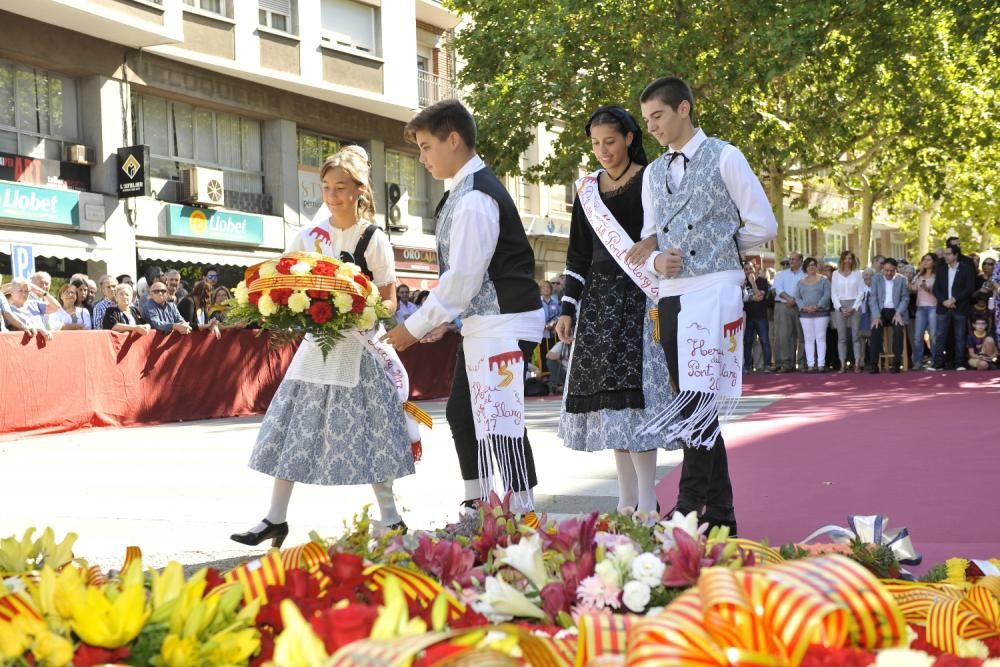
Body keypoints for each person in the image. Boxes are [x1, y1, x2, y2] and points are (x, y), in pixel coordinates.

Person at [232, 145, 416, 547]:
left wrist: (362, 313)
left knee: (369, 433)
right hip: (316, 348)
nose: (332, 196)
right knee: (294, 427)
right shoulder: (307, 236)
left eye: (340, 188)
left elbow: (390, 299)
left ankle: (392, 518)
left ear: (358, 191)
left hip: (357, 348)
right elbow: (285, 283)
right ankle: (274, 518)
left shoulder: (372, 238)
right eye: (326, 188)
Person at [382, 99, 544, 520]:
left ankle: (520, 510)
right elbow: (466, 281)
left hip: (502, 321)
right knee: (466, 411)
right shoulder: (464, 191)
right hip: (487, 320)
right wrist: (444, 321)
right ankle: (480, 501)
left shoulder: (474, 197)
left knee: (500, 418)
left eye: (425, 146)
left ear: (453, 140)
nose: (422, 157)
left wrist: (414, 327)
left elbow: (463, 279)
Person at [630, 76, 777, 534]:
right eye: (647, 118)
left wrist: (720, 245)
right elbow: (647, 236)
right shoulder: (653, 173)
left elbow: (763, 223)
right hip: (672, 295)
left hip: (715, 289)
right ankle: (722, 514)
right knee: (691, 402)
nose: (651, 127)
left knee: (696, 400)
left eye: (658, 116)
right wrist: (656, 259)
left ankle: (690, 504)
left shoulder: (726, 156)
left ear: (684, 109)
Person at [552, 104, 679, 514]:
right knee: (612, 405)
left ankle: (647, 502)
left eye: (610, 141)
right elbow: (578, 255)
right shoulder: (587, 190)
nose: (603, 150)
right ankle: (626, 503)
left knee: (638, 401)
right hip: (599, 306)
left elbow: (676, 226)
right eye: (595, 144)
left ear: (628, 137)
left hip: (641, 299)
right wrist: (567, 308)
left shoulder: (652, 178)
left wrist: (656, 240)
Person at [931, 245, 975, 370]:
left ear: (956, 255)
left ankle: (960, 363)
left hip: (960, 307)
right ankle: (937, 364)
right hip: (943, 307)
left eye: (949, 254)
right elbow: (936, 289)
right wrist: (944, 301)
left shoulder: (966, 269)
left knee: (960, 336)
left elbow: (969, 288)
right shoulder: (941, 269)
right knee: (939, 336)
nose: (946, 256)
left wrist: (954, 299)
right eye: (945, 254)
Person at [867, 257, 909, 373]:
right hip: (881, 312)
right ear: (882, 269)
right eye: (886, 270)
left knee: (898, 331)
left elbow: (905, 298)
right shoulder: (876, 278)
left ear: (896, 270)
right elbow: (873, 299)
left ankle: (896, 364)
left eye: (891, 271)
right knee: (875, 330)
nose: (889, 273)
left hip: (896, 311)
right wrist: (876, 316)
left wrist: (899, 313)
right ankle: (874, 365)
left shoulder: (902, 279)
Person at [793, 257, 832, 372]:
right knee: (808, 338)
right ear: (805, 268)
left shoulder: (824, 280)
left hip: (821, 313)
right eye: (809, 265)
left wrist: (818, 306)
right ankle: (810, 364)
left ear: (817, 267)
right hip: (805, 314)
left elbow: (826, 295)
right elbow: (797, 297)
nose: (812, 267)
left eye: (813, 265)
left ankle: (821, 364)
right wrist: (804, 307)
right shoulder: (800, 283)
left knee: (820, 337)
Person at [830, 250, 864, 373]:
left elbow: (861, 292)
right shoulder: (835, 274)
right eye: (846, 258)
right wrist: (840, 307)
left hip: (854, 304)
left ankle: (857, 364)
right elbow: (833, 293)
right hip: (840, 305)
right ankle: (843, 364)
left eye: (850, 258)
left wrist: (854, 307)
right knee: (842, 338)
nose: (848, 261)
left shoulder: (858, 274)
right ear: (842, 260)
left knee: (855, 337)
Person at [772, 252, 805, 372]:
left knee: (802, 335)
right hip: (783, 306)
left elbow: (805, 290)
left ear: (801, 260)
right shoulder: (781, 274)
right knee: (784, 336)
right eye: (790, 259)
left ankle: (802, 362)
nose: (791, 261)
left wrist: (795, 300)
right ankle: (786, 363)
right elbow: (778, 289)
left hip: (800, 306)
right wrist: (789, 299)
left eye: (794, 259)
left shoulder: (805, 274)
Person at [741, 262, 772, 373]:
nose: (749, 271)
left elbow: (759, 296)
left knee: (764, 341)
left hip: (761, 317)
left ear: (755, 269)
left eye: (750, 269)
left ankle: (767, 365)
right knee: (748, 342)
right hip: (748, 317)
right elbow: (746, 297)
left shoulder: (763, 281)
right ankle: (748, 366)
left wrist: (753, 283)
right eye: (746, 270)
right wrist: (752, 295)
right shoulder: (743, 283)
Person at [910, 253, 937, 369]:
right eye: (924, 260)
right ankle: (918, 361)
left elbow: (939, 291)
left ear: (934, 262)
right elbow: (913, 288)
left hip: (933, 307)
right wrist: (909, 284)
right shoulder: (919, 275)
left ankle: (935, 360)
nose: (925, 262)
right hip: (920, 307)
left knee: (933, 335)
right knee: (917, 336)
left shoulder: (937, 275)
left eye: (928, 260)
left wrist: (928, 289)